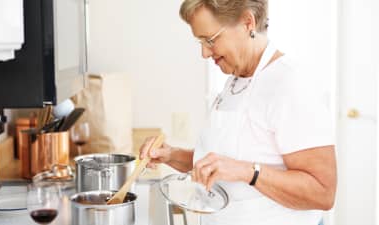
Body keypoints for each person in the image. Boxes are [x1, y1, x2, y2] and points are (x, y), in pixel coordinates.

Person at [140, 0, 337, 225]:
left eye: (210, 40)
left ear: (247, 23)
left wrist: (249, 172)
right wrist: (171, 155)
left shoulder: (290, 84)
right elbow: (222, 164)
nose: (204, 53)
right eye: (200, 41)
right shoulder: (237, 80)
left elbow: (323, 192)